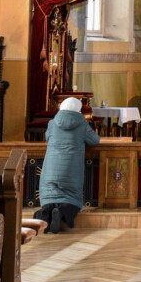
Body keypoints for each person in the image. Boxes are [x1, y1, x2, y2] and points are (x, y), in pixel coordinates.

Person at [39, 97, 100, 233]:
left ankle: (46, 213)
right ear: (78, 109)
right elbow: (95, 140)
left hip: (51, 164)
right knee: (70, 197)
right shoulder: (82, 124)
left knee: (50, 194)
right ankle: (60, 213)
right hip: (71, 167)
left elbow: (48, 137)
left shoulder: (52, 123)